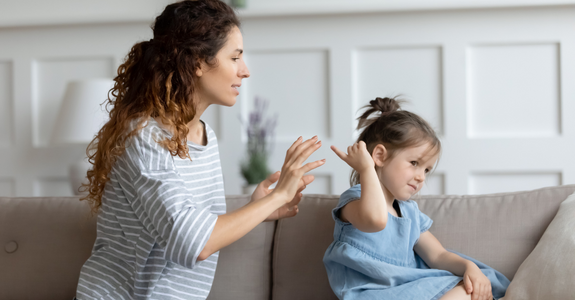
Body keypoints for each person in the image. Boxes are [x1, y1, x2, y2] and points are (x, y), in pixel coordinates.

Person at [75, 0, 325, 299]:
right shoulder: (142, 137)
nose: (245, 71)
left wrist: (257, 207)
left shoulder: (204, 135)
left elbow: (191, 223)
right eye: (235, 57)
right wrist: (278, 197)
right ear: (196, 63)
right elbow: (196, 244)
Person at [323, 97, 510, 300]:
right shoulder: (354, 200)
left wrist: (469, 267)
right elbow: (375, 220)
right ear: (379, 156)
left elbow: (438, 256)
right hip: (370, 293)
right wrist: (367, 168)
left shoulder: (410, 212)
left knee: (468, 289)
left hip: (410, 290)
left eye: (427, 169)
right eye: (414, 163)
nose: (421, 176)